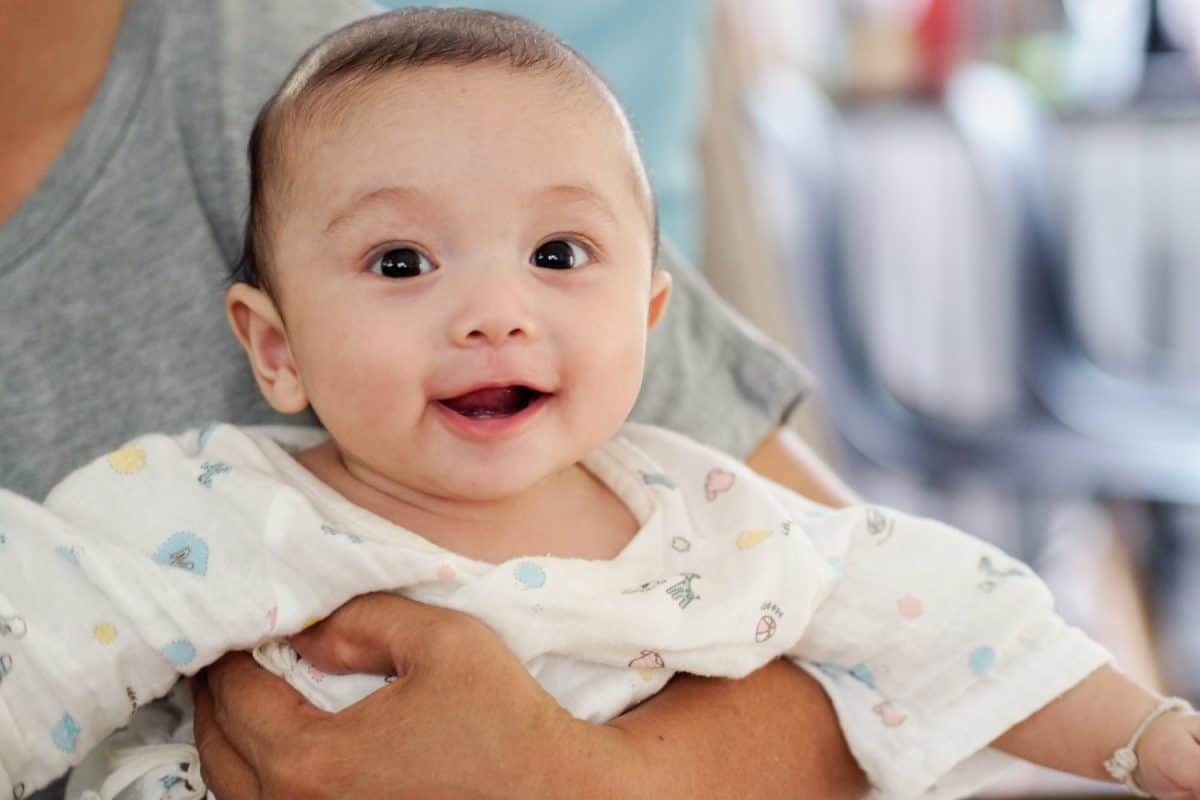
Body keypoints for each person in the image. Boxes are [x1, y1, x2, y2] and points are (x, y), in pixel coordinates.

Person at [5, 10, 1200, 800]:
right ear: (275, 349)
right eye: (404, 264)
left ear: (646, 317)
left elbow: (954, 618)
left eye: (560, 255)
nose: (494, 313)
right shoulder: (211, 506)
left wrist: (1144, 736)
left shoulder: (709, 510)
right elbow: (34, 640)